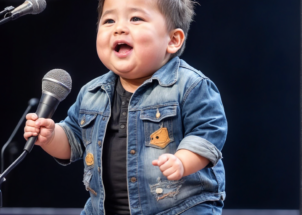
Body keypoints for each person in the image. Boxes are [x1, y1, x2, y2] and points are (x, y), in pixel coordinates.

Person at [24, 0, 227, 214]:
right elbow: (73, 141)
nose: (119, 28)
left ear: (173, 40)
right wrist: (51, 135)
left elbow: (207, 134)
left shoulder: (190, 86)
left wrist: (182, 162)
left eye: (136, 18)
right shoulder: (92, 92)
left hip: (180, 208)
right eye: (109, 20)